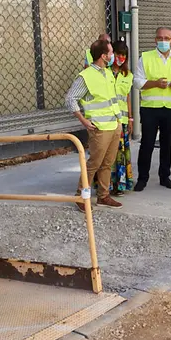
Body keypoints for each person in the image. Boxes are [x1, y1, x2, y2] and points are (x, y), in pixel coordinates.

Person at [66, 39, 123, 211]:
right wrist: (83, 120)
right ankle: (80, 196)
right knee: (94, 164)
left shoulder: (108, 73)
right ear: (103, 56)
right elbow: (70, 99)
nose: (113, 55)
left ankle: (103, 196)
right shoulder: (86, 76)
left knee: (107, 163)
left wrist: (119, 122)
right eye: (111, 52)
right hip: (99, 128)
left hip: (113, 125)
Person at [134, 27, 171, 191]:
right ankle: (142, 179)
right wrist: (154, 83)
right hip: (150, 109)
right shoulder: (146, 57)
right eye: (160, 38)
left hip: (170, 108)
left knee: (167, 144)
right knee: (147, 144)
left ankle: (164, 177)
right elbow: (137, 81)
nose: (163, 41)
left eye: (167, 38)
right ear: (155, 40)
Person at [110, 41, 134, 195]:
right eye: (118, 54)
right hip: (107, 120)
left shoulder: (128, 75)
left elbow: (127, 97)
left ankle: (120, 184)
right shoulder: (105, 73)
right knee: (109, 154)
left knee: (120, 154)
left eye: (124, 55)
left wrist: (130, 119)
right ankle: (107, 185)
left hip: (122, 121)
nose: (121, 58)